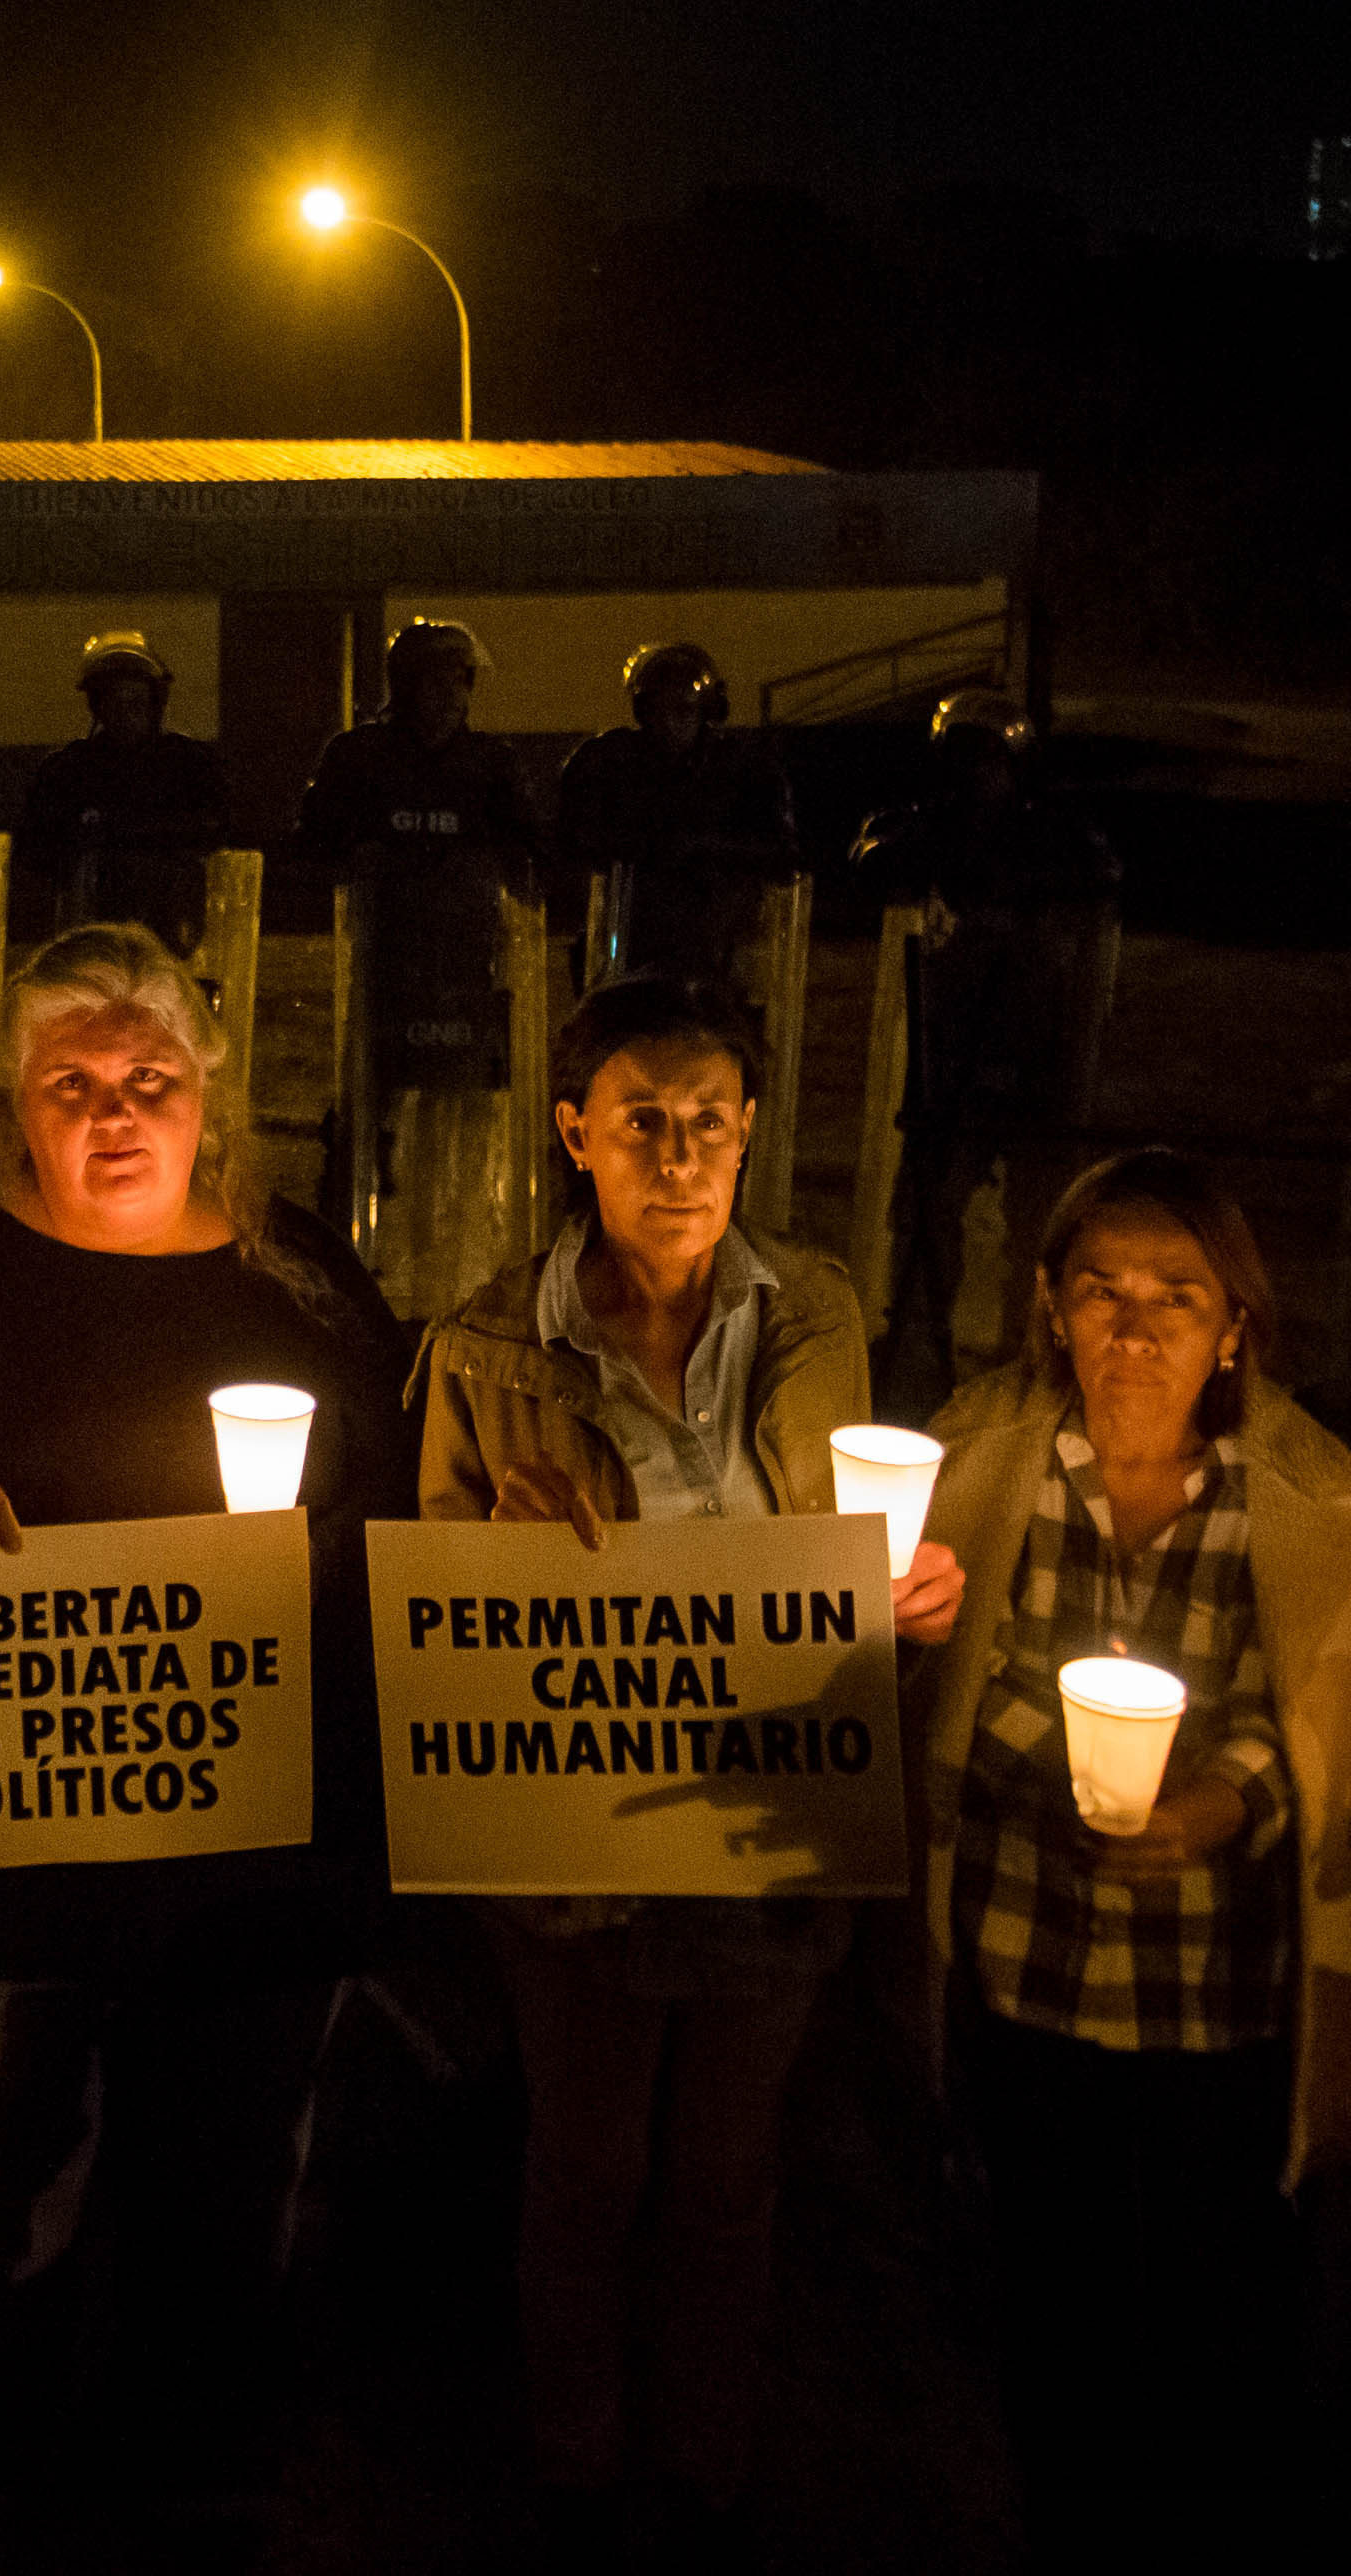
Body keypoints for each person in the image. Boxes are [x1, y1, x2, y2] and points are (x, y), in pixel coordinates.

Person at [0, 923, 415, 2535]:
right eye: (74, 1083)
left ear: (210, 1094)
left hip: (249, 1846)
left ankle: (187, 2477)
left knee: (222, 2181)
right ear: (16, 1100)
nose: (116, 1111)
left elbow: (399, 1498)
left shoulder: (302, 1277)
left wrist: (302, 1555)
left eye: (150, 1079)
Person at [408, 972, 961, 2548]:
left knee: (727, 2169)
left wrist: (903, 1601)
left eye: (711, 1121)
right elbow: (439, 1605)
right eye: (643, 1120)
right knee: (585, 2164)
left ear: (752, 1133)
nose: (680, 1153)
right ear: (575, 1133)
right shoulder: (482, 1347)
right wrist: (493, 1557)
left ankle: (704, 2472)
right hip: (583, 1833)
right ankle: (577, 2470)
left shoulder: (818, 1316)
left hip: (772, 1814)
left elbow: (841, 1555)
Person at [908, 1148, 1351, 2571]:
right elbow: (950, 1658)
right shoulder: (981, 1464)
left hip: (1219, 1988)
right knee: (1052, 2292)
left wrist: (1215, 1805)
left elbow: (1313, 1702)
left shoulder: (1306, 1498)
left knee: (1218, 2300)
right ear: (1051, 1309)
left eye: (1176, 1296)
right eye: (1103, 1292)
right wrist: (1065, 1761)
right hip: (1029, 1964)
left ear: (1234, 1326)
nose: (1134, 1328)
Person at [851, 691, 1122, 1412]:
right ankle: (921, 1349)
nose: (977, 778)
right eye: (964, 760)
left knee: (1045, 1223)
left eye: (990, 761)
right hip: (945, 1060)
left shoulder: (1053, 836)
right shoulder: (921, 830)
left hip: (1037, 1059)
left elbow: (1099, 874)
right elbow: (873, 857)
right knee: (927, 1214)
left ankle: (1033, 1361)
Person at [297, 616, 546, 1280]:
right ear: (403, 685)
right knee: (366, 1105)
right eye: (434, 680)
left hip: (470, 961)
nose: (448, 695)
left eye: (457, 681)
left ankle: (463, 1246)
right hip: (382, 962)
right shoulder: (359, 757)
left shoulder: (490, 763)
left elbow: (534, 854)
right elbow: (313, 842)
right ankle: (350, 1253)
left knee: (464, 1103)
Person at [553, 641, 800, 993]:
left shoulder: (746, 769)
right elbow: (571, 840)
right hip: (627, 937)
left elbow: (784, 855)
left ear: (706, 711)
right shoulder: (606, 762)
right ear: (643, 712)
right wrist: (643, 849)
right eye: (658, 711)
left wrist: (705, 849)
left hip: (718, 943)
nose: (669, 723)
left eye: (683, 711)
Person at [17, 629, 231, 933]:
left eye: (135, 702)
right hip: (92, 929)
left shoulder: (190, 764)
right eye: (113, 703)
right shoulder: (68, 769)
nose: (124, 714)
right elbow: (36, 849)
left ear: (154, 704)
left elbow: (221, 832)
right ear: (97, 707)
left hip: (176, 932)